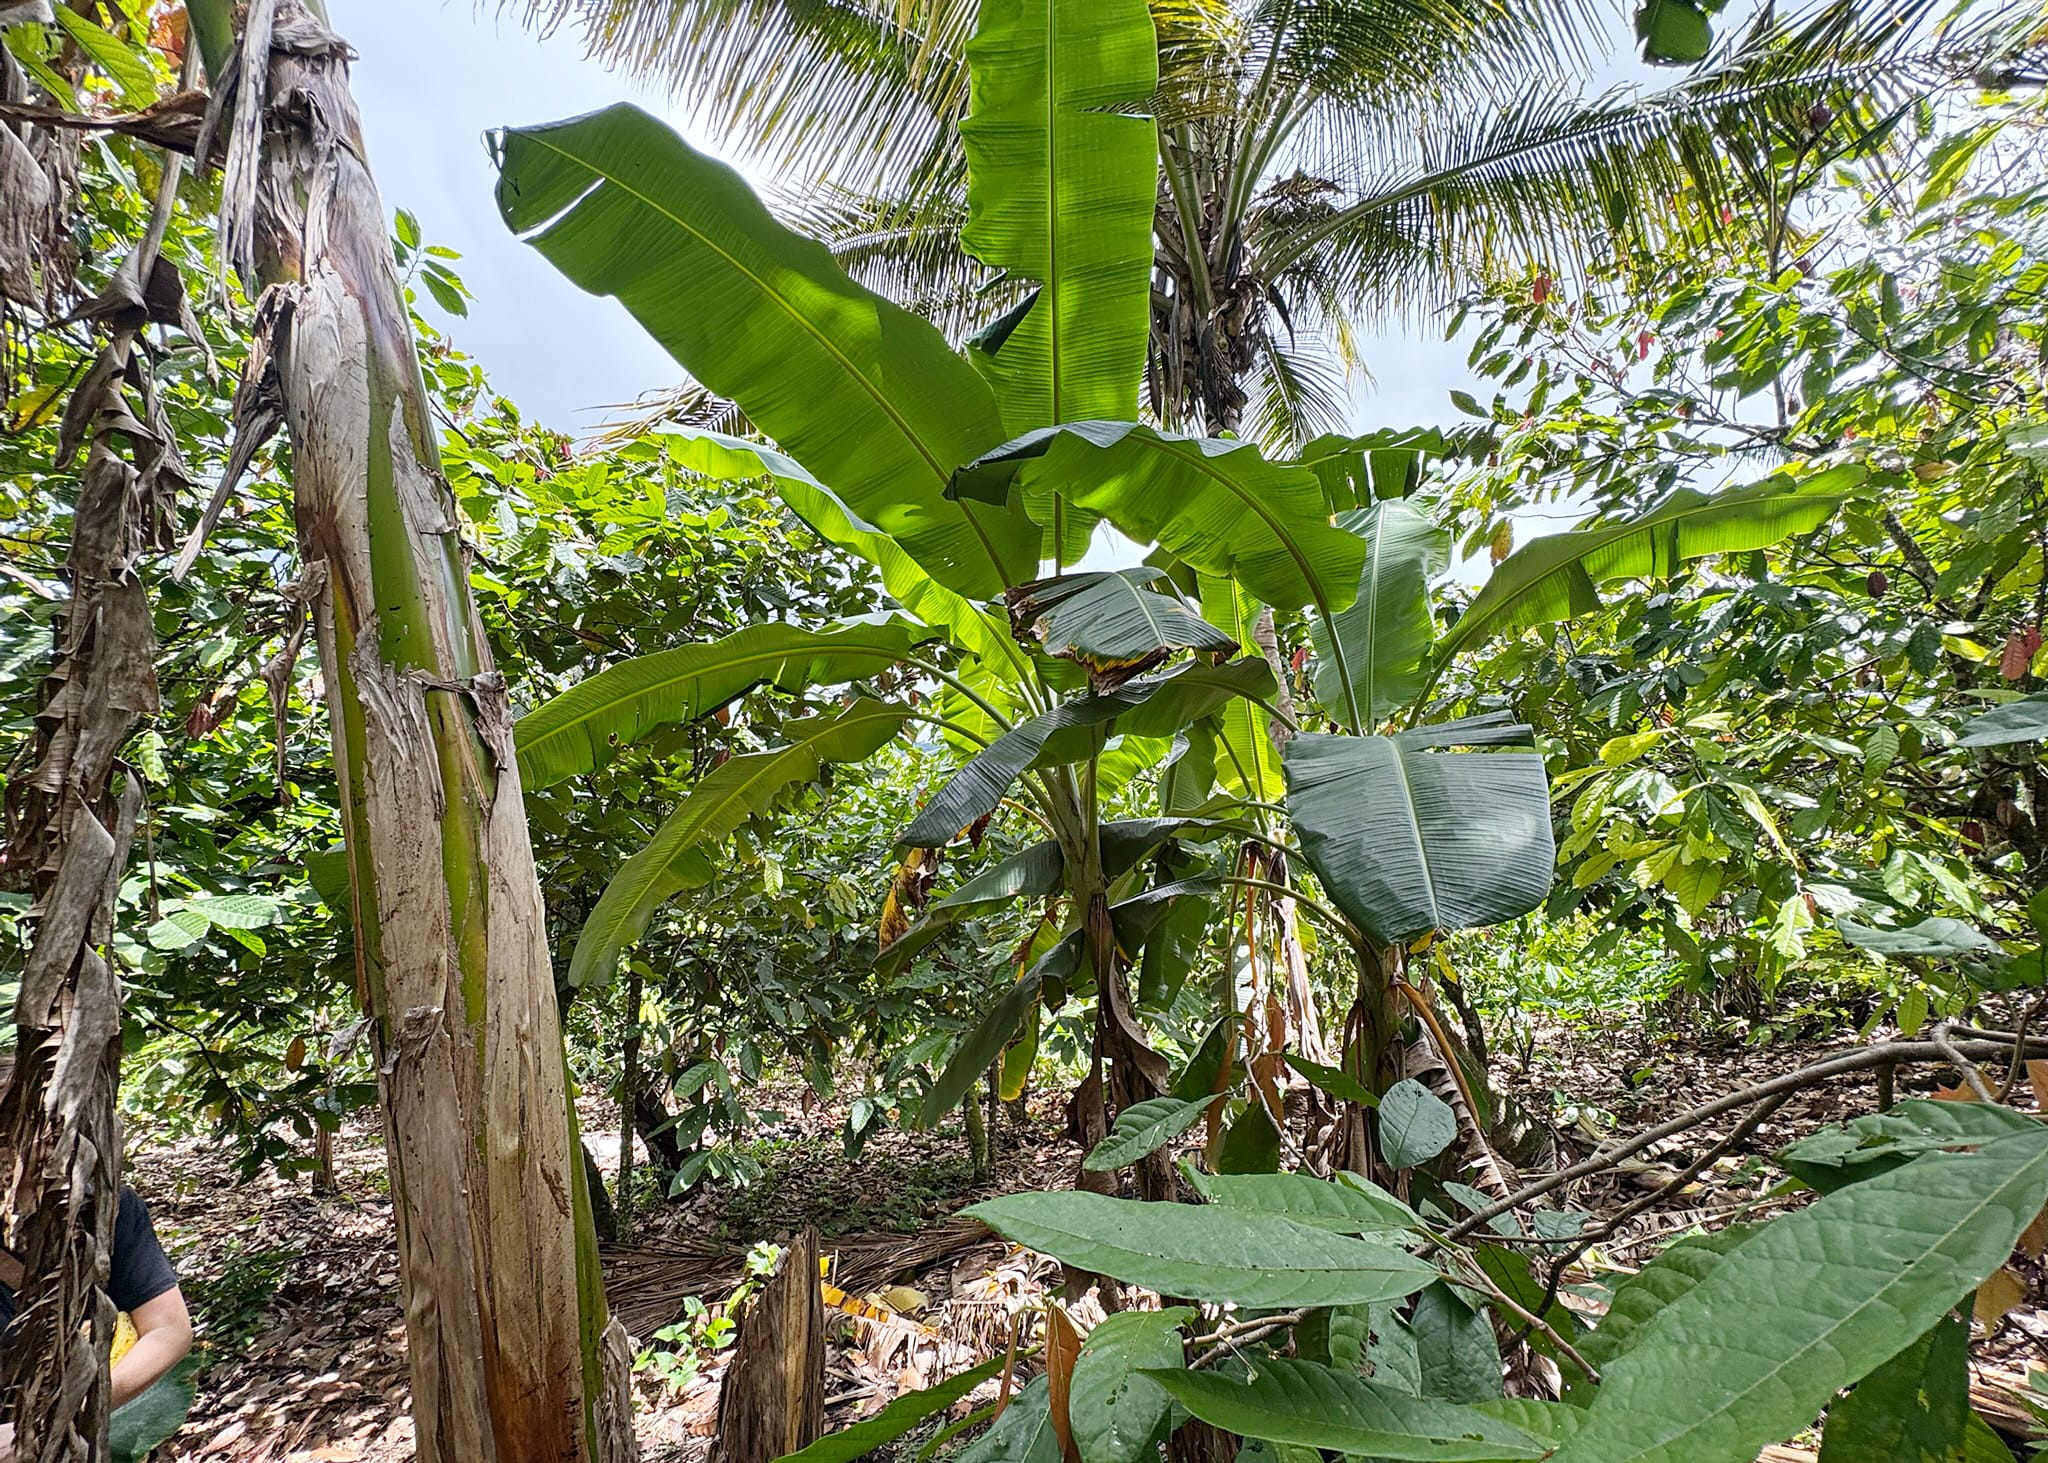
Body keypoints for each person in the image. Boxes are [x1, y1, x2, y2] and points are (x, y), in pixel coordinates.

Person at [0, 1076, 192, 1460]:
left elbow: (168, 1329)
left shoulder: (105, 1212)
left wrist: (57, 1420)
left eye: (51, 1123)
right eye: (22, 1130)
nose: (44, 1141)